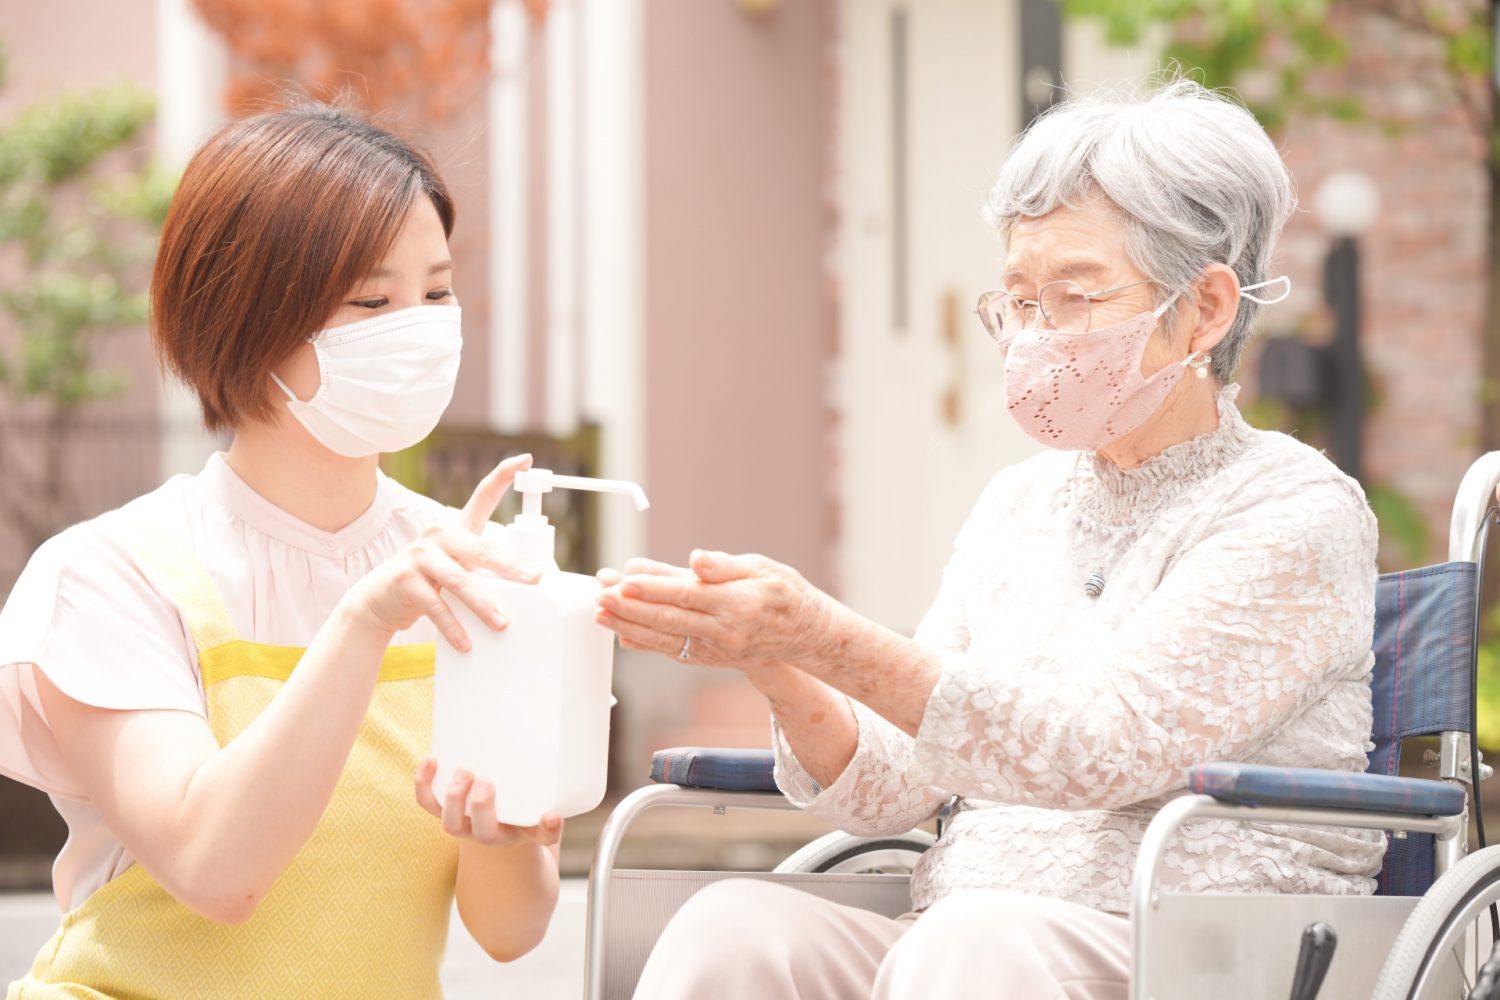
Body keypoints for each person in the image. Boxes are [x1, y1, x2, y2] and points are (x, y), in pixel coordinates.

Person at [596, 79, 1382, 999]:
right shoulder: (1019, 505)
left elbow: (1101, 748)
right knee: (734, 930)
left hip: (1203, 941)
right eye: (1018, 299)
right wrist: (772, 657)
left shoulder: (1294, 511)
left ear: (1204, 310)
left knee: (971, 948)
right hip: (971, 933)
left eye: (1074, 297)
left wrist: (820, 631)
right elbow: (892, 792)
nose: (1033, 337)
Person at [0, 105, 558, 999]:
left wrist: (499, 836)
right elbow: (216, 868)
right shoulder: (110, 574)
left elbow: (511, 932)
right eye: (372, 302)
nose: (416, 329)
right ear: (245, 318)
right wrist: (365, 618)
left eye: (438, 292)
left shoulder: (470, 566)